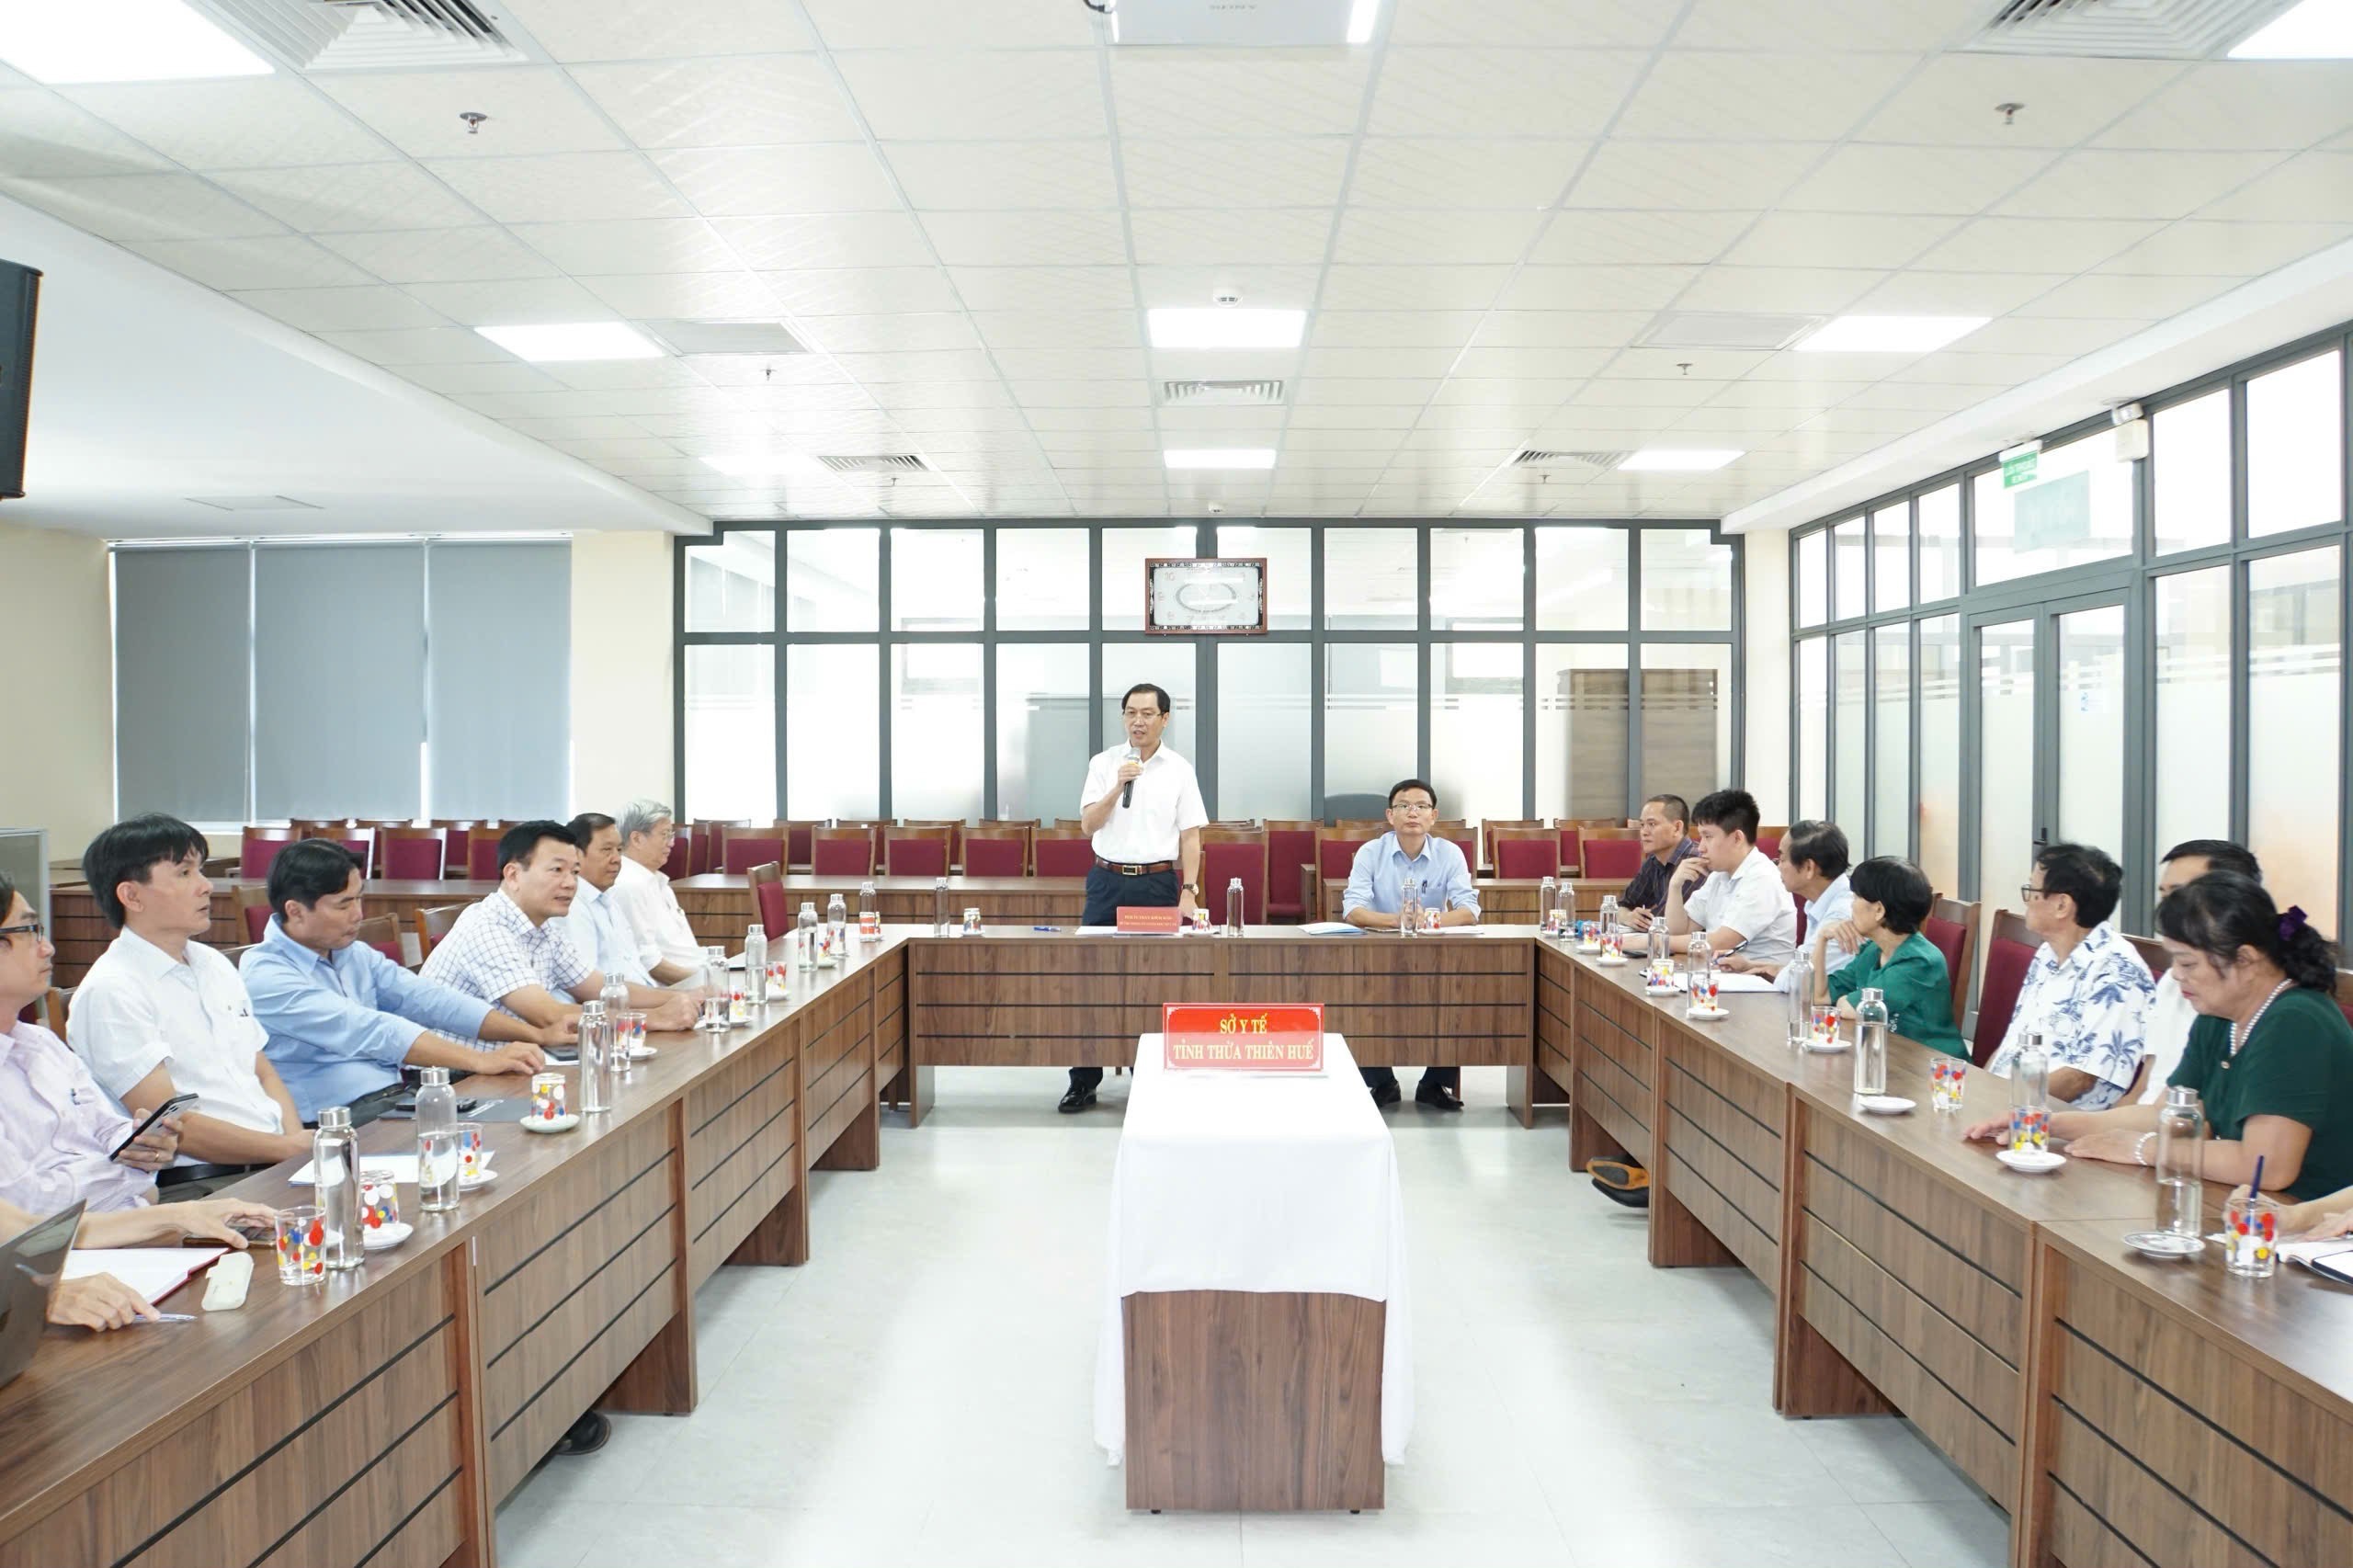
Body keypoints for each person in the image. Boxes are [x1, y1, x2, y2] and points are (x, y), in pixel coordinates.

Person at [1967, 872, 2353, 1204]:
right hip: (2239, 1204)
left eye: (2187, 963)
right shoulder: (2220, 1015)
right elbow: (2162, 1113)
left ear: (2245, 960)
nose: (2176, 976)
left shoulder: (2295, 1021)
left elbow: (2266, 1166)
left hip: (2305, 1223)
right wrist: (2049, 1123)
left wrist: (2144, 1149)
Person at [0, 871, 278, 1329]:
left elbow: (105, 1132)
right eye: (30, 931)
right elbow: (34, 1212)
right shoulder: (112, 986)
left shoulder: (41, 1045)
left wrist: (140, 1145)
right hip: (62, 1267)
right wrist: (139, 1188)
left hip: (131, 1238)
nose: (47, 948)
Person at [243, 839, 563, 1123]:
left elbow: (430, 1000)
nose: (358, 914)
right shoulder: (267, 976)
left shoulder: (352, 954)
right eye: (344, 904)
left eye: (358, 899)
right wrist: (481, 1060)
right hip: (338, 1119)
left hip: (394, 1095)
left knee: (529, 1104)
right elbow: (370, 1030)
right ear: (296, 911)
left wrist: (535, 1034)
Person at [67, 814, 311, 1184]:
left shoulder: (213, 963)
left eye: (201, 870)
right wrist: (288, 1150)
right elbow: (170, 1121)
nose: (206, 886)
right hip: (199, 1183)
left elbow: (261, 1070)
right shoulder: (112, 990)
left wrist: (295, 1148)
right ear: (132, 896)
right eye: (184, 873)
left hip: (273, 1162)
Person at [1063, 682, 1207, 1114]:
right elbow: (1088, 825)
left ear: (1165, 719)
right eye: (1130, 713)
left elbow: (1191, 836)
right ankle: (1083, 1080)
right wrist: (1117, 786)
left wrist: (1189, 890)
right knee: (1091, 979)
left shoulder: (1179, 769)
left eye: (1147, 713)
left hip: (1156, 884)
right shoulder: (1104, 763)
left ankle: (1153, 1078)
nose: (1137, 721)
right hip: (1106, 882)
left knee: (1155, 978)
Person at [418, 822, 699, 1040]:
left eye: (575, 872)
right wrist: (656, 1018)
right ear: (513, 875)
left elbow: (599, 988)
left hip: (514, 1061)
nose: (570, 883)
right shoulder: (487, 929)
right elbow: (549, 1016)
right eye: (557, 870)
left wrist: (688, 997)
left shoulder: (543, 929)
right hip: (460, 1079)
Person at [1983, 842, 2153, 1111]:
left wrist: (1998, 1107)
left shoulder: (2117, 971)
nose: (2026, 900)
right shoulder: (2046, 954)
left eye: (2032, 891)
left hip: (2056, 1121)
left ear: (2062, 905)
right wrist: (1979, 1091)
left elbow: (2080, 1079)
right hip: (2007, 1105)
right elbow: (2011, 1044)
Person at [1342, 778, 1479, 1110]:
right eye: (1404, 806)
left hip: (1434, 950)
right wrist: (1398, 920)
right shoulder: (1370, 852)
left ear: (1434, 815)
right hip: (1379, 949)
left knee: (1455, 996)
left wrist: (1429, 920)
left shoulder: (1449, 853)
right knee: (1361, 999)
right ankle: (1381, 1083)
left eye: (1421, 806)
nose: (1412, 812)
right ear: (1390, 815)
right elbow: (1353, 910)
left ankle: (1434, 1084)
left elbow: (1469, 910)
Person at [2132, 839, 2263, 1104]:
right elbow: (2145, 1089)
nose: (2167, 908)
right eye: (2164, 896)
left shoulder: (2246, 1003)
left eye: (2179, 895)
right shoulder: (2173, 980)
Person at [1808, 857, 1964, 1059]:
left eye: (1856, 898)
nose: (1851, 906)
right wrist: (1822, 939)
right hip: (1890, 1056)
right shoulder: (1873, 951)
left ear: (1879, 910)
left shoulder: (1920, 962)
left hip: (1933, 1067)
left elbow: (1851, 1010)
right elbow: (1820, 997)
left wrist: (1846, 1001)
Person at [1659, 789, 1798, 966]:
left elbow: (1720, 942)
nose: (1701, 847)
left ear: (1737, 838)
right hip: (1723, 973)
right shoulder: (1719, 875)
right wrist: (1675, 886)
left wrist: (1652, 940)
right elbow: (1679, 933)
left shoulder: (1763, 877)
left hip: (1761, 980)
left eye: (1708, 837)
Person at [1722, 819, 1852, 988]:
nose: (1778, 867)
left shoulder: (1842, 914)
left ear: (1808, 867)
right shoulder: (1820, 902)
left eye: (1782, 859)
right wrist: (1751, 966)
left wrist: (1772, 971)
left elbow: (1798, 981)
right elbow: (1803, 969)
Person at [606, 800, 704, 986]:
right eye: (664, 835)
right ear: (637, 839)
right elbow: (649, 963)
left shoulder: (658, 882)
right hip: (674, 990)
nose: (672, 843)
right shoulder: (629, 886)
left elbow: (682, 950)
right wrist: (704, 982)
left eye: (671, 835)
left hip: (695, 977)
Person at [551, 813, 654, 987]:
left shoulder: (608, 899)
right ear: (576, 854)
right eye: (607, 850)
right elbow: (587, 986)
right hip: (619, 1001)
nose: (617, 859)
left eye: (619, 850)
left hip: (643, 995)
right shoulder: (571, 906)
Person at [1616, 794, 1699, 929]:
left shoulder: (1694, 862)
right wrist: (1628, 917)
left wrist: (1640, 919)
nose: (1643, 832)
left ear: (1677, 828)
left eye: (1652, 824)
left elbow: (1663, 921)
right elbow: (1623, 904)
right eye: (1642, 825)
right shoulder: (1654, 861)